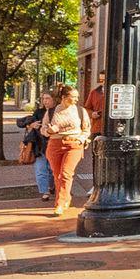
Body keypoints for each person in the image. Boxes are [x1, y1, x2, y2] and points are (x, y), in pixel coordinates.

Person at [43, 83, 93, 216]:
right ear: (64, 97)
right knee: (57, 174)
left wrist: (81, 139)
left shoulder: (80, 111)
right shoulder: (52, 111)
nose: (77, 99)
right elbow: (43, 129)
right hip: (55, 144)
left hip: (73, 145)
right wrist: (49, 130)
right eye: (74, 97)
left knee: (66, 173)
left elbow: (86, 129)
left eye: (77, 97)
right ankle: (66, 198)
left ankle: (59, 203)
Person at [16, 89, 57, 200]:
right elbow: (23, 122)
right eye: (43, 98)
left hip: (54, 145)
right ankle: (45, 192)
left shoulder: (58, 112)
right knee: (40, 169)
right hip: (39, 145)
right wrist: (31, 125)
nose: (45, 101)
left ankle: (51, 186)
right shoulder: (39, 112)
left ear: (54, 99)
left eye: (48, 98)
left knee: (52, 169)